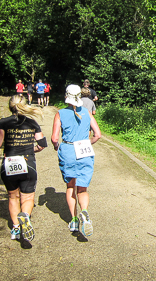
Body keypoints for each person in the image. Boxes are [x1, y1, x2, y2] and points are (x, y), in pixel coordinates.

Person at [0, 95, 47, 242]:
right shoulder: (32, 122)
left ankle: (16, 228)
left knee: (13, 196)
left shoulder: (3, 123)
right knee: (28, 197)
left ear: (10, 107)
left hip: (9, 163)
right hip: (27, 162)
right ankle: (25, 217)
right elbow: (42, 144)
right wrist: (30, 149)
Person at [51, 84, 101, 237]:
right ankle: (84, 212)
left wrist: (56, 146)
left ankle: (74, 219)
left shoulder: (60, 114)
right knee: (82, 188)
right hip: (84, 150)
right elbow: (97, 134)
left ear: (66, 96)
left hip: (68, 150)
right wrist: (86, 143)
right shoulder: (87, 112)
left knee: (70, 186)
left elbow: (54, 138)